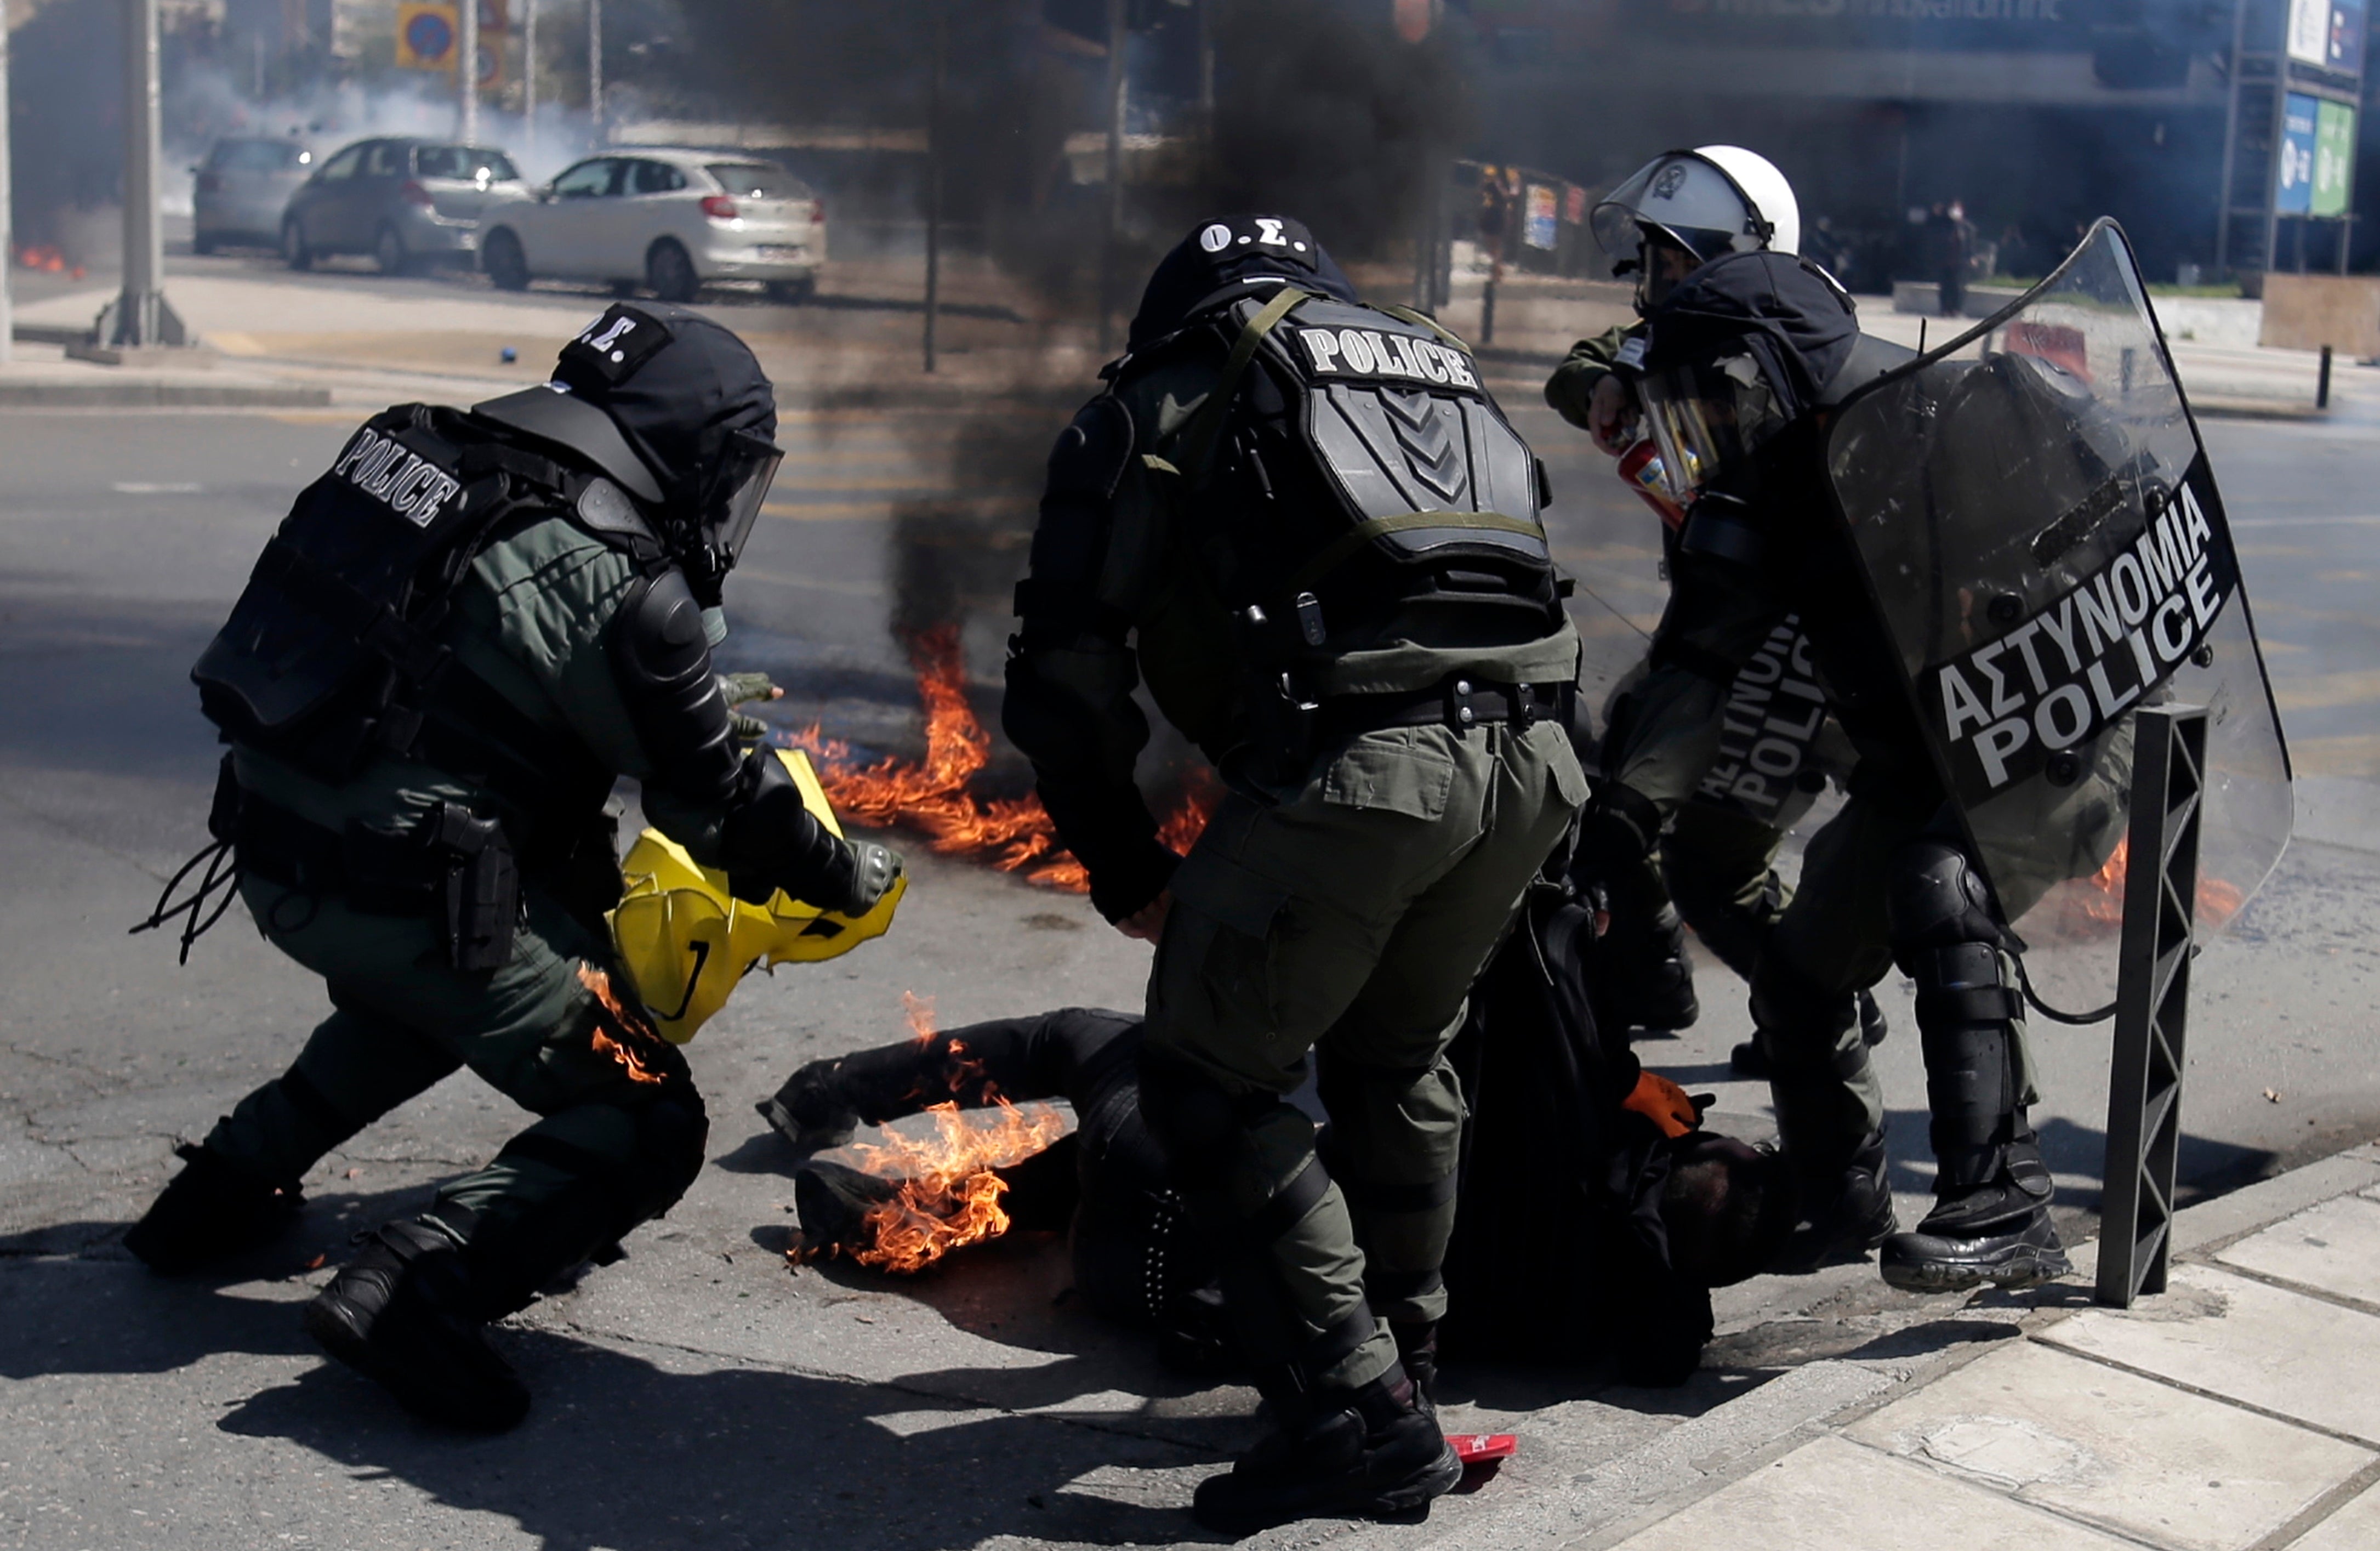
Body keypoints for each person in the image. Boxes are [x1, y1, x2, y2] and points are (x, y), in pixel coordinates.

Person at [123, 303, 905, 1431]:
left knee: (452, 991)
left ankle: (218, 1191)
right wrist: (839, 871)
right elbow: (722, 808)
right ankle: (417, 1287)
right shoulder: (617, 580)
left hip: (273, 849)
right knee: (644, 1116)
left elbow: (455, 668)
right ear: (682, 444)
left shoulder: (415, 450)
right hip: (406, 899)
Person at [1001, 213, 1587, 1531]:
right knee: (1397, 1059)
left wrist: (1120, 857)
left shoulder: (1163, 392)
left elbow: (1064, 674)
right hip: (1532, 768)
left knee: (1208, 1081)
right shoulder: (1428, 357)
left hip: (1365, 782)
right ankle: (1405, 1362)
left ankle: (1355, 1415)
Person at [1581, 147, 2079, 1293]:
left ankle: (2004, 1201)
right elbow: (1696, 661)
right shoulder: (1764, 477)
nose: (1690, 427)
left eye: (1704, 397)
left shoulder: (1953, 411)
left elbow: (2104, 527)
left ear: (1759, 372)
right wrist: (1616, 820)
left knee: (1938, 886)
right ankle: (1842, 1201)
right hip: (1922, 758)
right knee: (1802, 980)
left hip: (2051, 729)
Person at [760, 885, 1791, 1391]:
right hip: (1158, 1285)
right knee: (1090, 1185)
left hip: (1181, 1149)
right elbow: (1670, 1334)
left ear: (1679, 1155)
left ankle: (831, 1090)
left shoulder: (1557, 1115)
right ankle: (887, 1217)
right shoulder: (1605, 1314)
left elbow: (1542, 938)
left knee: (1075, 1040)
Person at [1542, 145, 1889, 1065]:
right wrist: (1615, 375)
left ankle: (1815, 999)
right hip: (1713, 628)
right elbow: (1579, 371)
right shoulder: (1679, 333)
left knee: (1677, 837)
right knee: (1685, 850)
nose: (1654, 284)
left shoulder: (1798, 338)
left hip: (1789, 645)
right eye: (1651, 264)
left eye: (1673, 263)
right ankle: (1801, 997)